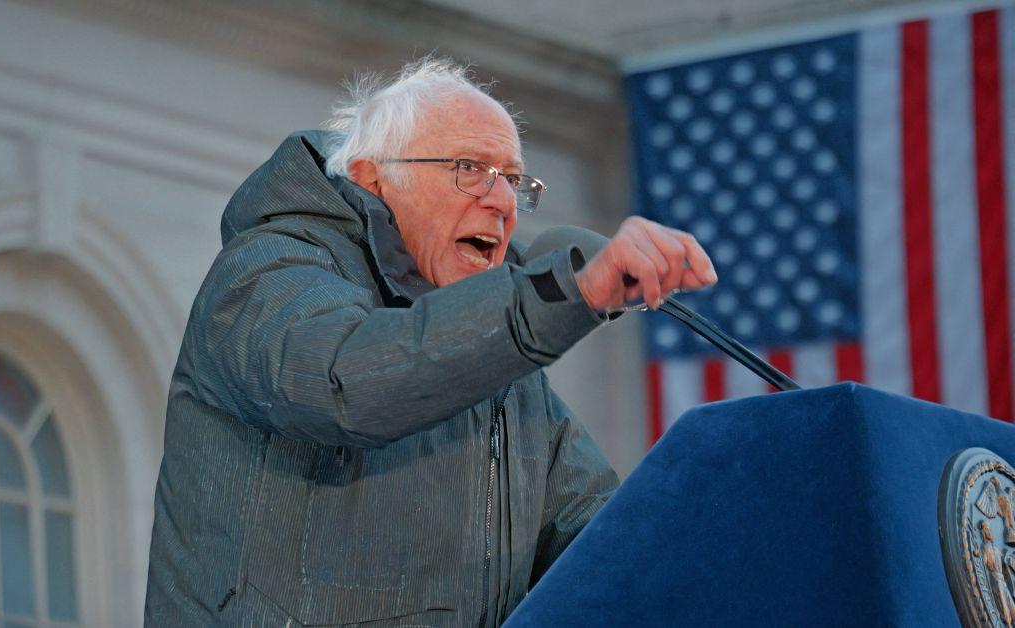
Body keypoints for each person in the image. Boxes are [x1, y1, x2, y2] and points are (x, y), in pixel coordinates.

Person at [144, 57, 717, 626]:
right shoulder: (265, 273)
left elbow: (605, 549)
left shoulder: (503, 360)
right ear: (373, 178)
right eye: (470, 167)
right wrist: (566, 295)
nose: (502, 201)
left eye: (513, 180)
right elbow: (345, 378)